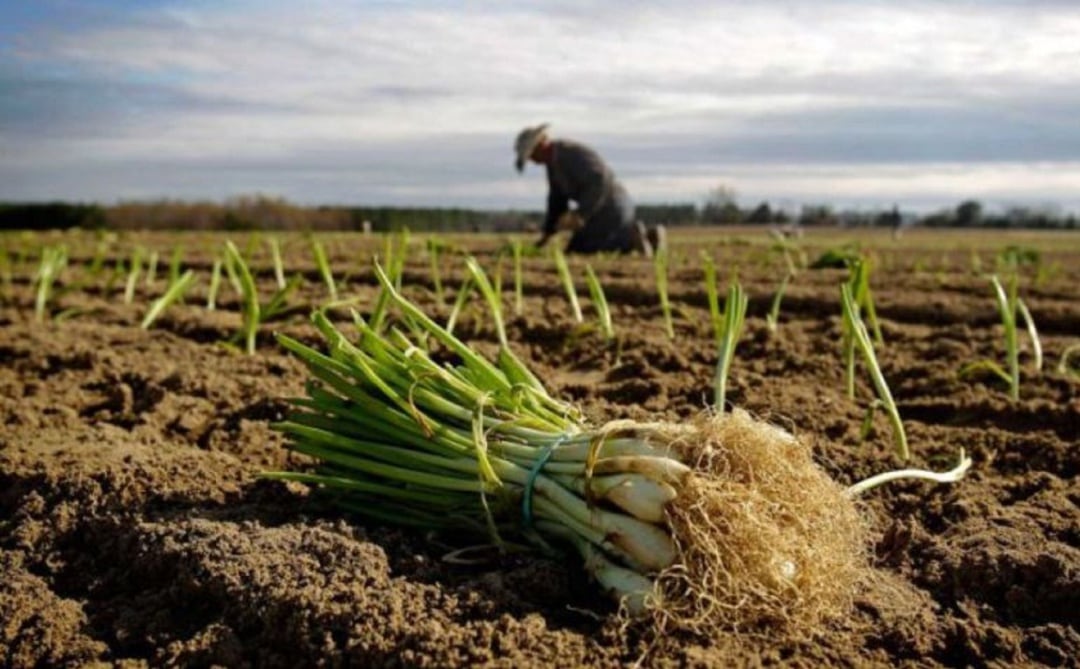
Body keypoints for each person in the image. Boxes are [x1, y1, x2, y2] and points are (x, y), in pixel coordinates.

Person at [514, 123, 664, 255]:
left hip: (613, 205)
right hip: (600, 210)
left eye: (531, 155)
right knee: (575, 248)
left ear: (541, 145)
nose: (532, 161)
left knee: (585, 250)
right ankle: (646, 237)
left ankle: (630, 239)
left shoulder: (569, 153)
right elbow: (557, 202)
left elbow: (600, 180)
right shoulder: (553, 166)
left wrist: (581, 214)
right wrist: (547, 235)